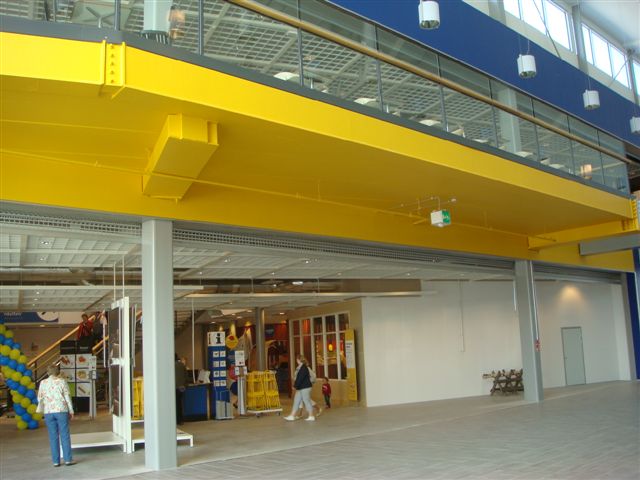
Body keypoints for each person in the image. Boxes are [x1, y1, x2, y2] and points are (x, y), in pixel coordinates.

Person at [36, 364, 75, 467]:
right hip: (61, 410)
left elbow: (39, 398)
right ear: (57, 372)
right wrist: (71, 411)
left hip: (48, 412)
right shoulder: (62, 381)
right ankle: (67, 460)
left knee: (53, 437)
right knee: (64, 435)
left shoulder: (43, 383)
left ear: (48, 372)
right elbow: (67, 397)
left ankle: (56, 461)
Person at [284, 355, 315, 422]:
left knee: (306, 401)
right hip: (301, 388)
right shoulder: (301, 367)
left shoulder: (303, 368)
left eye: (297, 360)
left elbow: (300, 378)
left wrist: (295, 386)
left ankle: (311, 416)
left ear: (299, 360)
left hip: (305, 387)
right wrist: (296, 386)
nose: (296, 361)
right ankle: (292, 415)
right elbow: (298, 378)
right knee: (296, 401)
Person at [175, 354, 187, 425]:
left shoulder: (170, 365)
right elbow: (186, 375)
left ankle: (176, 420)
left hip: (174, 387)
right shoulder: (182, 365)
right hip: (181, 387)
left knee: (175, 404)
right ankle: (180, 420)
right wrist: (185, 385)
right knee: (179, 404)